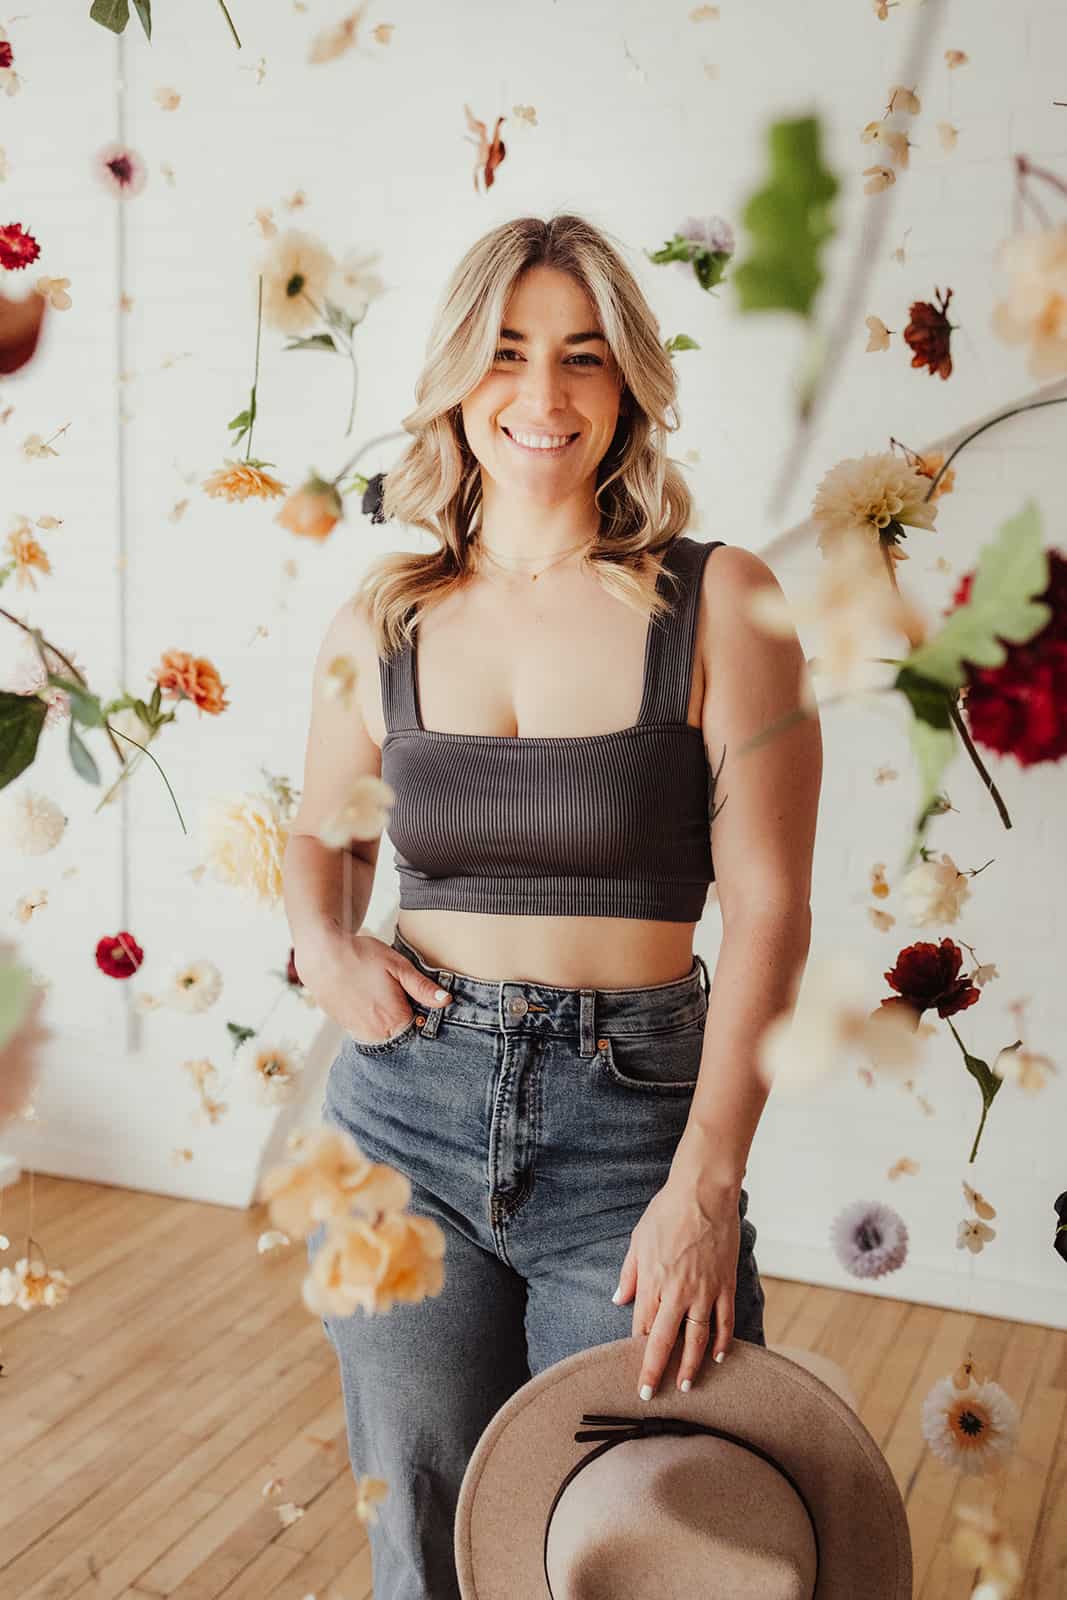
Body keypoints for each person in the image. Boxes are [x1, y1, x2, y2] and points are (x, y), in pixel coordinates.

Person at [283, 212, 822, 1600]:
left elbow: (770, 909)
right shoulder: (384, 618)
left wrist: (706, 1187)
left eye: (582, 356)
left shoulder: (722, 602)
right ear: (459, 379)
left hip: (633, 1128)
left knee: (633, 1531)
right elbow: (323, 836)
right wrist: (324, 944)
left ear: (627, 383)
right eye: (507, 352)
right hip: (403, 1115)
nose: (543, 393)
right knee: (422, 1529)